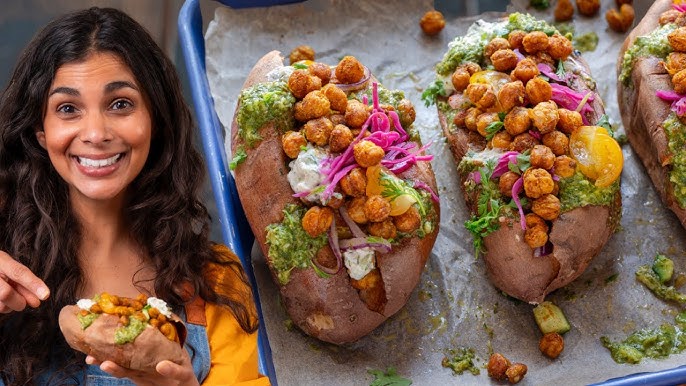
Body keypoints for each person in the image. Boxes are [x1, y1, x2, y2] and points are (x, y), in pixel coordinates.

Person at [0, 7, 270, 386]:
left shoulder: (217, 283)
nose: (96, 132)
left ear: (155, 120)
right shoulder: (4, 261)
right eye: (67, 109)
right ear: (40, 132)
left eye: (120, 104)